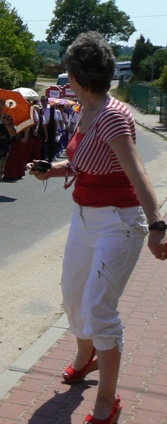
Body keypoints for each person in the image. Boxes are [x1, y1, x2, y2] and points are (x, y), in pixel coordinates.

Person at [28, 32, 167, 424]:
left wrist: (158, 226)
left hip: (118, 224)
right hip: (84, 218)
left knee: (98, 310)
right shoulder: (84, 109)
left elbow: (137, 173)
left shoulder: (112, 117)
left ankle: (107, 402)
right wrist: (52, 170)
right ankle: (85, 355)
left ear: (75, 76)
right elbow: (83, 163)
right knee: (72, 297)